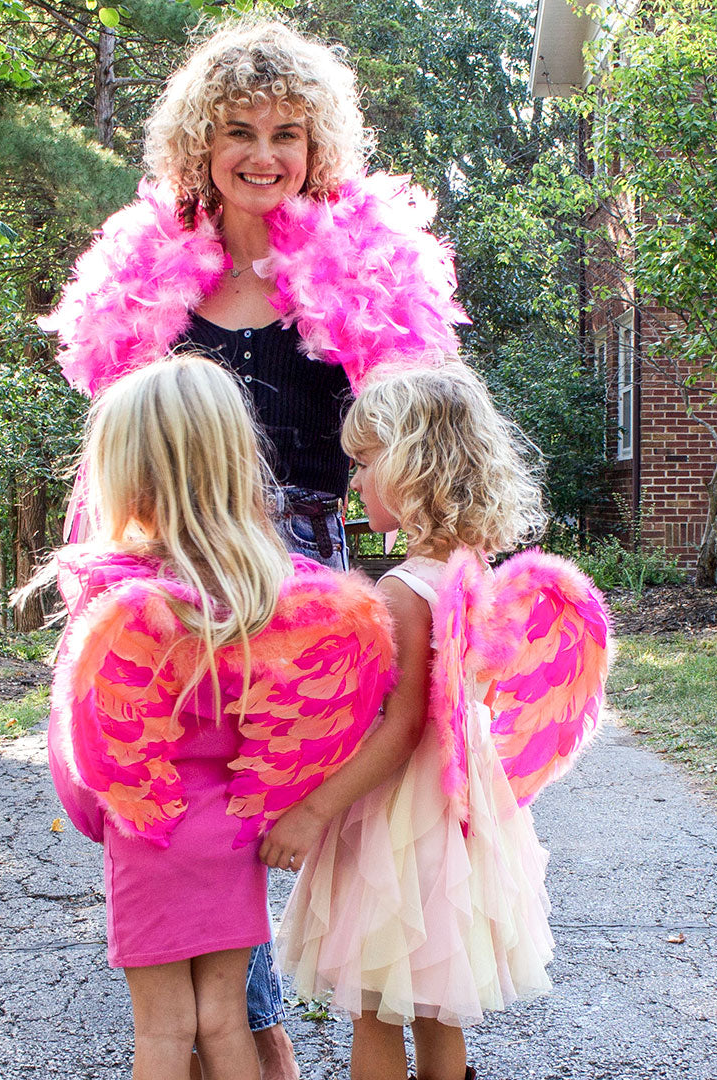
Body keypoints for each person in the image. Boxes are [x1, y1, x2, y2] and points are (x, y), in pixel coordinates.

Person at [39, 19, 467, 1072]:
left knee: (319, 810)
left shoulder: (362, 272)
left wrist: (426, 562)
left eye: (288, 132)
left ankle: (371, 1018)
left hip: (310, 573)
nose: (264, 154)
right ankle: (248, 1037)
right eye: (239, 130)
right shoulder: (151, 279)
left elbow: (416, 434)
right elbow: (119, 453)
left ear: (320, 147)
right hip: (178, 573)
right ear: (201, 143)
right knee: (197, 809)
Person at [42, 354, 395, 1080]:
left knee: (166, 1034)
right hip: (236, 831)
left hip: (150, 832)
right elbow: (309, 724)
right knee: (225, 1020)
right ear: (238, 460)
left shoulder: (123, 611)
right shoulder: (277, 598)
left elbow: (86, 760)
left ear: (125, 474)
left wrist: (104, 819)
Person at [259, 365, 611, 1080]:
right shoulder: (470, 565)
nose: (352, 481)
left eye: (363, 463)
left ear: (414, 464)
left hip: (396, 817)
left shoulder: (401, 588)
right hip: (454, 814)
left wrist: (313, 808)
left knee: (376, 1006)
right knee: (433, 1004)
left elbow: (402, 725)